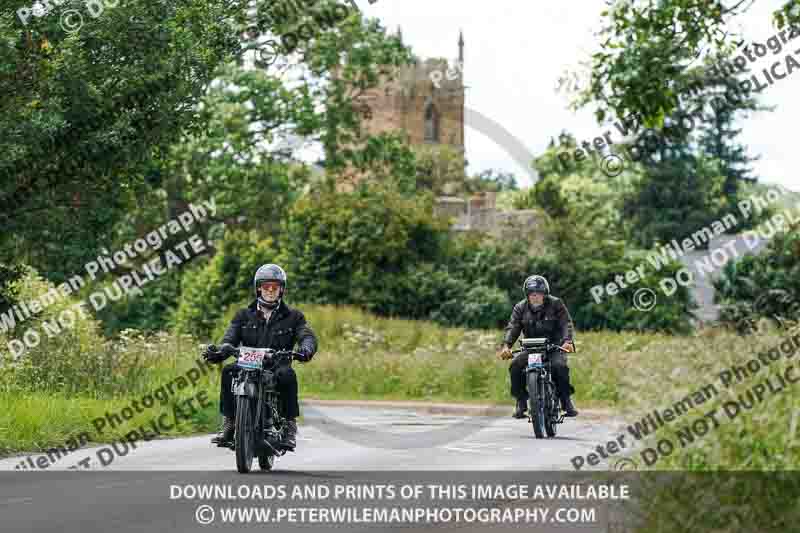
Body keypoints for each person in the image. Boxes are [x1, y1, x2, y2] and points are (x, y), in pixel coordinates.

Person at [203, 263, 318, 451]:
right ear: (259, 288)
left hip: (277, 365)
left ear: (281, 289)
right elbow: (229, 338)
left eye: (275, 287)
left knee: (288, 376)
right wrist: (220, 351)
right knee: (228, 371)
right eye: (266, 286)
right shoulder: (243, 315)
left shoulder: (294, 316)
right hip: (247, 364)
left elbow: (306, 335)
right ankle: (230, 422)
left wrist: (306, 349)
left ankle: (289, 426)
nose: (270, 291)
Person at [496, 275, 578, 418]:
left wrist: (567, 341)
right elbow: (513, 327)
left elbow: (566, 323)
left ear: (544, 294)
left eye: (539, 293)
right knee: (515, 366)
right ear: (527, 295)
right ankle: (521, 401)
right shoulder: (520, 308)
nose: (535, 297)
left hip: (554, 346)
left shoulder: (556, 304)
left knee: (560, 367)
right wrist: (506, 346)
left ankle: (565, 400)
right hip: (531, 348)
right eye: (532, 294)